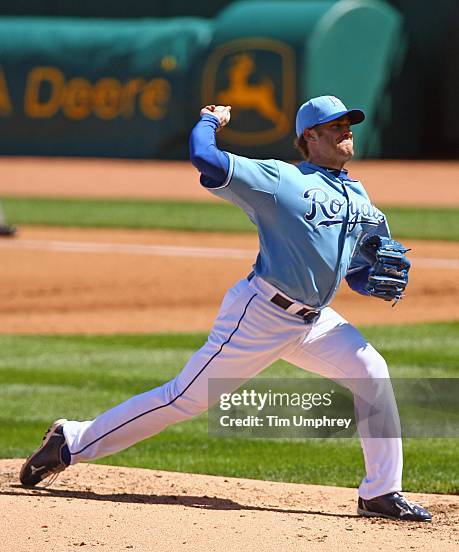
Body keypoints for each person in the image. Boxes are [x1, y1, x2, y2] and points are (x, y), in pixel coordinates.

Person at [19, 95, 431, 521]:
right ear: (309, 135)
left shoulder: (360, 198)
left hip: (316, 321)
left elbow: (360, 270)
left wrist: (372, 281)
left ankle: (380, 494)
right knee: (183, 399)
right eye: (335, 125)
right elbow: (207, 159)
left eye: (349, 124)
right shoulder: (279, 179)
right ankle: (71, 440)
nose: (347, 131)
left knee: (372, 372)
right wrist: (209, 120)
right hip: (259, 316)